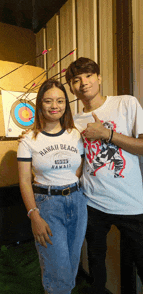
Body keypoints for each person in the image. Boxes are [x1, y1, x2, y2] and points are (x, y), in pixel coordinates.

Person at [65, 57, 143, 293]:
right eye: (76, 80)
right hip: (93, 203)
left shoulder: (125, 104)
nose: (83, 83)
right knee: (97, 267)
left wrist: (106, 134)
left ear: (99, 78)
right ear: (71, 87)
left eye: (88, 76)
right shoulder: (74, 121)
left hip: (132, 203)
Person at [17, 79, 88, 294]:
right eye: (48, 101)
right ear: (39, 104)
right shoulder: (28, 140)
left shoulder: (76, 135)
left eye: (60, 100)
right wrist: (34, 215)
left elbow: (79, 170)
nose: (54, 105)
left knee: (71, 265)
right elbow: (23, 181)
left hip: (77, 202)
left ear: (66, 104)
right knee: (57, 271)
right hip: (47, 206)